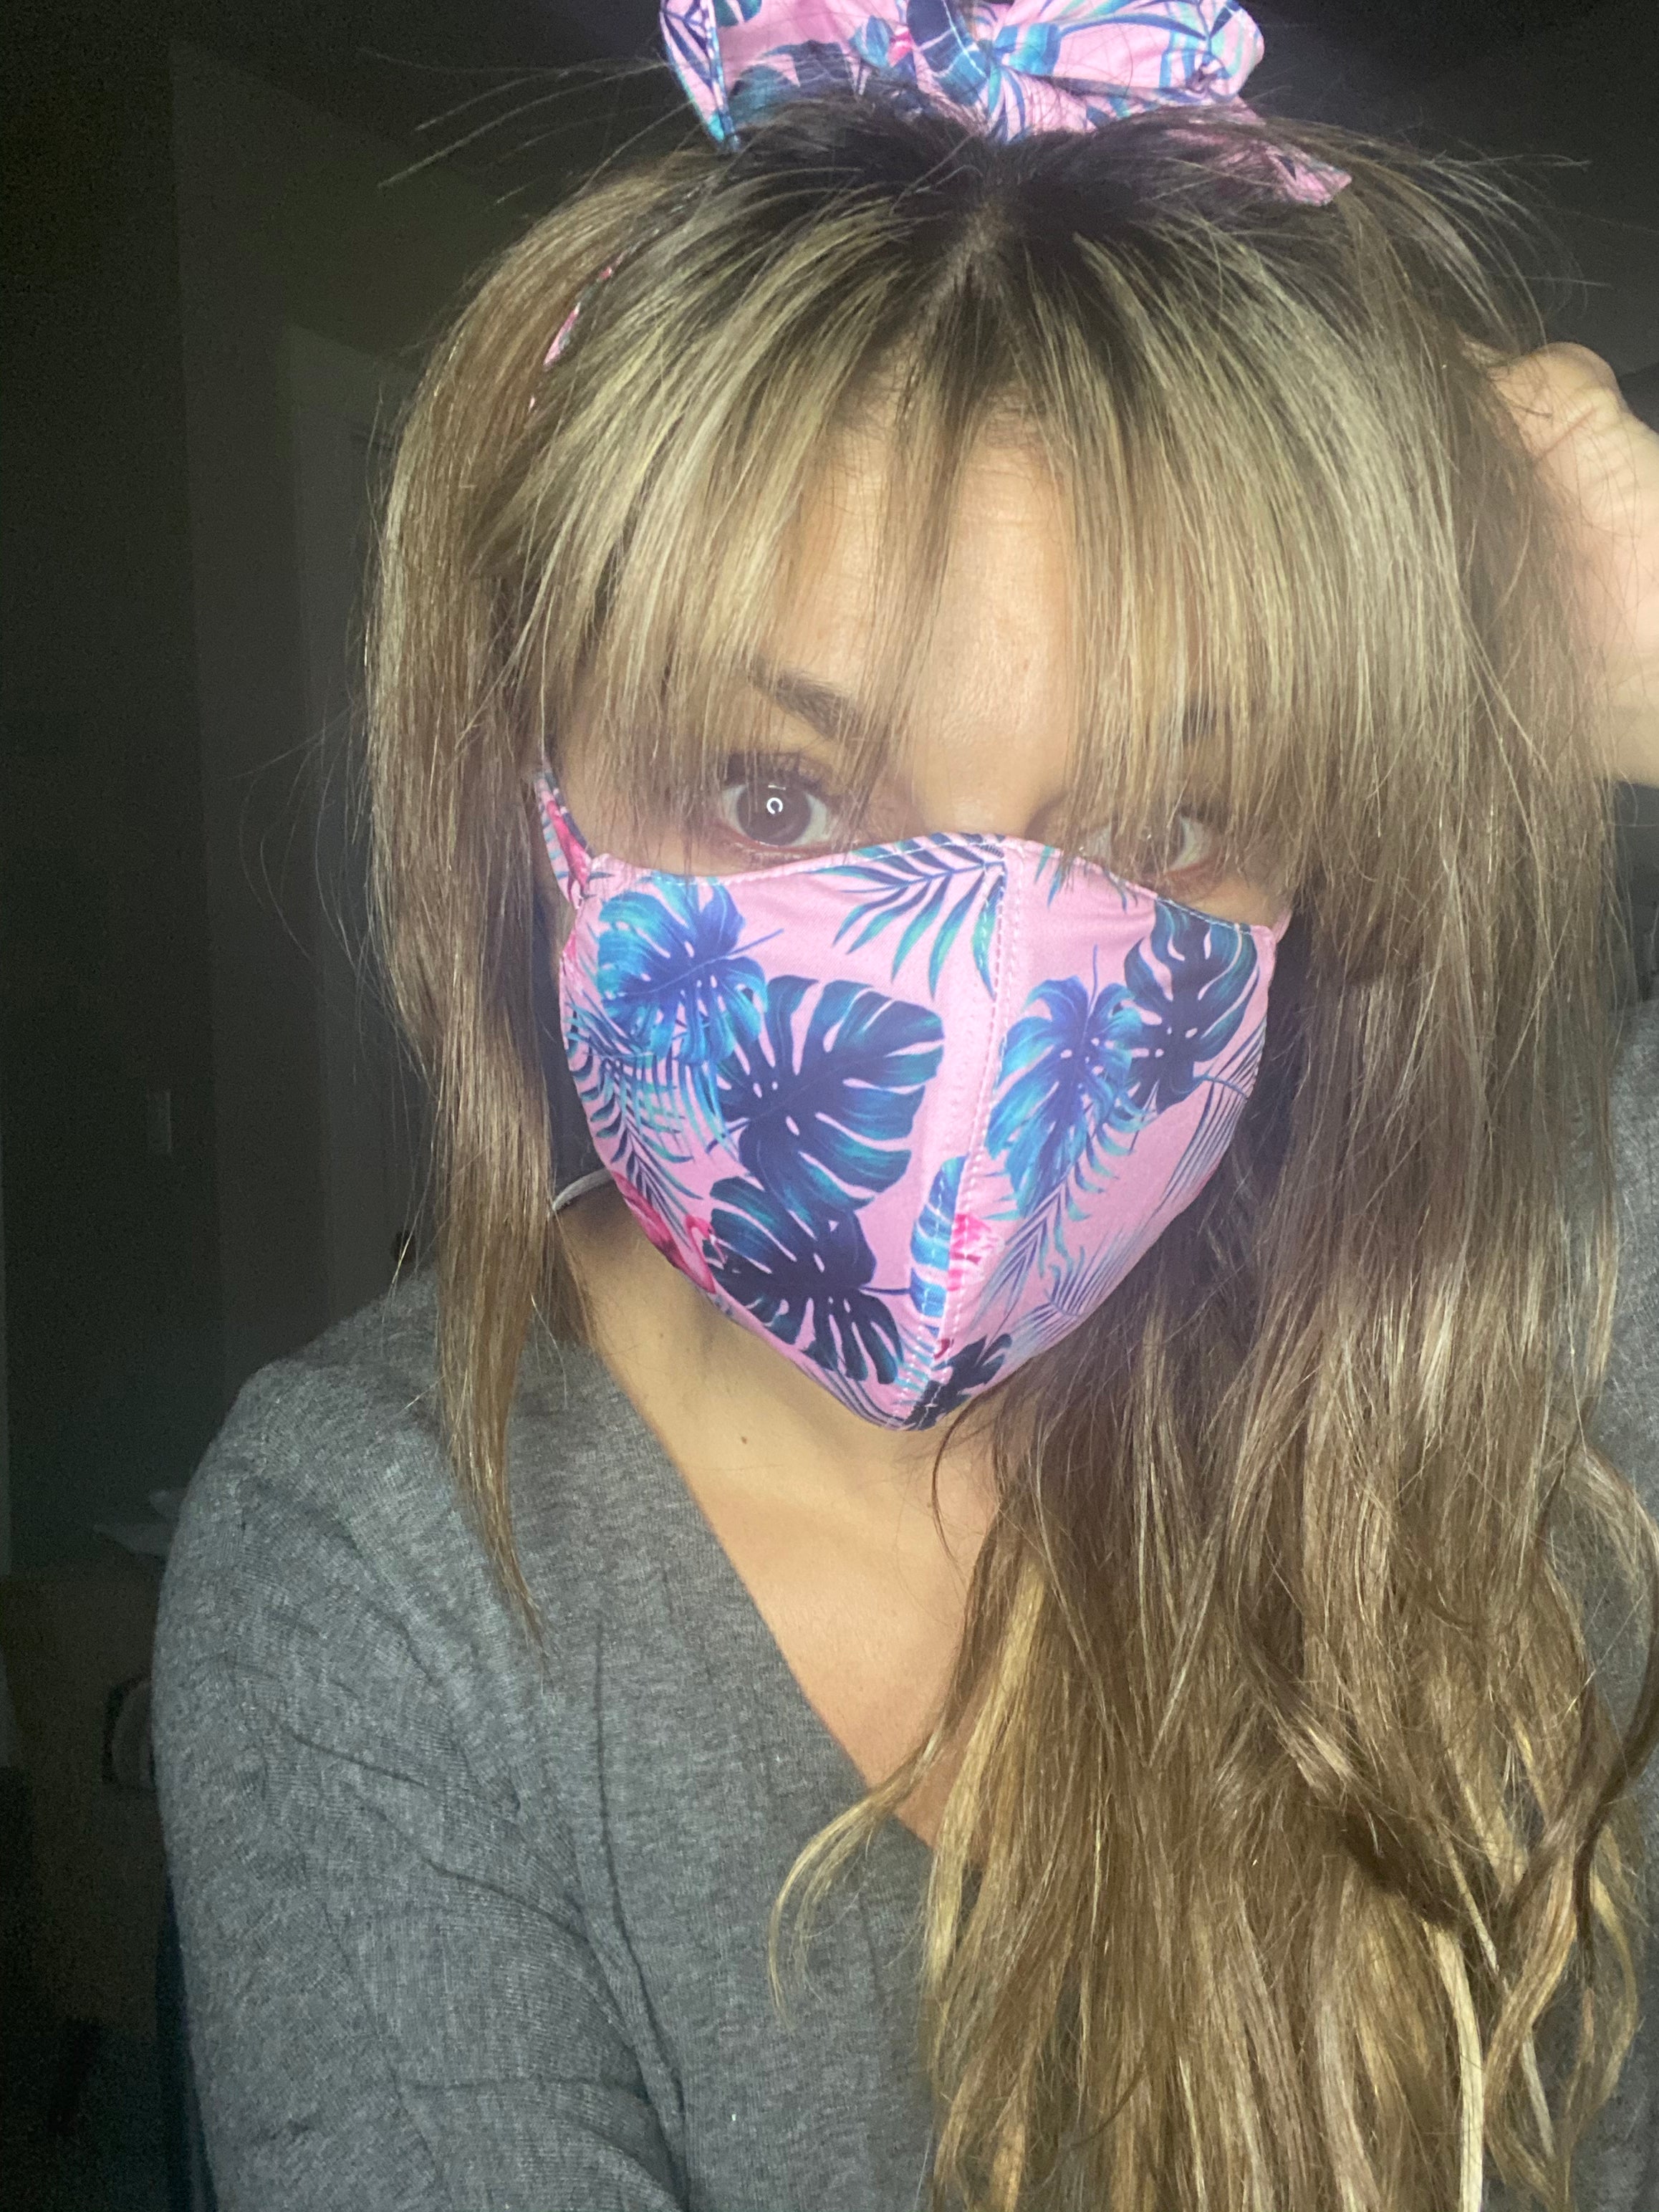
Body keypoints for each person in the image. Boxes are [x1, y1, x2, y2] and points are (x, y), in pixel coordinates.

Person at [152, 5, 1659, 2208]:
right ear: (533, 777)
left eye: (1160, 822)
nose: (971, 1004)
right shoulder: (371, 1573)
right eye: (778, 792)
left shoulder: (1506, 1330)